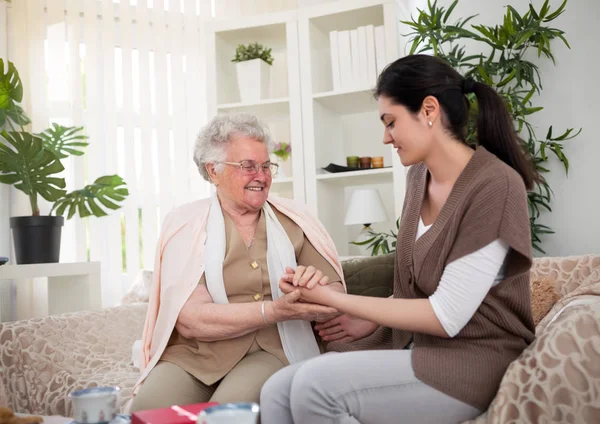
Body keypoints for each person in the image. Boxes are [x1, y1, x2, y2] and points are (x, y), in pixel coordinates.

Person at [260, 54, 537, 424]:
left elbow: (447, 314)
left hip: (476, 361)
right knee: (275, 391)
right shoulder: (418, 176)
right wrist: (371, 322)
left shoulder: (495, 186)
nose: (386, 137)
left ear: (428, 111)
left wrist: (332, 298)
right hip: (420, 348)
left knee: (314, 386)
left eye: (391, 122)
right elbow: (421, 288)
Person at [128, 113, 345, 411]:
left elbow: (336, 296)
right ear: (213, 171)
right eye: (248, 166)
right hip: (196, 354)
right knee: (147, 411)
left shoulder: (295, 220)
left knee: (227, 413)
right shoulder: (185, 225)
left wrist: (313, 286)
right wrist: (273, 310)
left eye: (266, 165)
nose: (261, 175)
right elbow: (192, 319)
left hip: (272, 348)